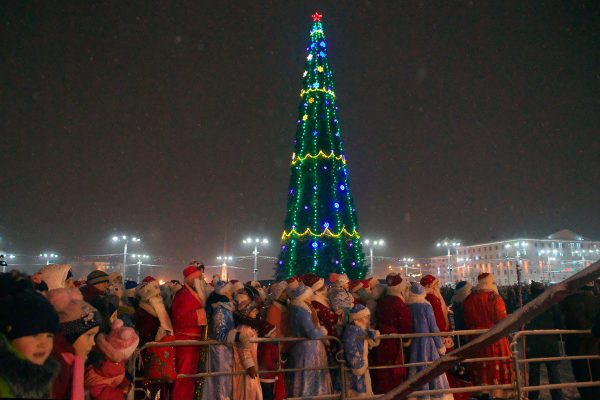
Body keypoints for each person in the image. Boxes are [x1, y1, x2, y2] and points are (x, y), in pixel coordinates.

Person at [0, 271, 61, 398]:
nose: (44, 343)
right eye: (34, 335)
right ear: (8, 335)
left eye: (49, 336)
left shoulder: (42, 375)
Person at [463, 273, 514, 399]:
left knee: (480, 366)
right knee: (496, 365)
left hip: (476, 338)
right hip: (495, 337)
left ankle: (482, 391)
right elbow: (501, 318)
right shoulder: (494, 298)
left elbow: (467, 318)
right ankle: (498, 392)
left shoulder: (470, 298)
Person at [47, 287, 102, 399]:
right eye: (89, 335)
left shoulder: (70, 362)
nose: (93, 343)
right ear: (71, 334)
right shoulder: (56, 370)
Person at [406, 284, 454, 400]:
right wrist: (440, 346)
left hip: (415, 344)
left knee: (418, 369)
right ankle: (436, 395)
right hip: (428, 343)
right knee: (433, 371)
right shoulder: (426, 306)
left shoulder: (408, 306)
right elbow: (433, 327)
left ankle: (419, 395)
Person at [171, 264, 208, 399]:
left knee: (191, 377)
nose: (202, 280)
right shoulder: (182, 295)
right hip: (185, 343)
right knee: (184, 377)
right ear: (191, 279)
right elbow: (180, 318)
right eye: (199, 278)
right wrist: (203, 314)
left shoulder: (194, 294)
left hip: (194, 343)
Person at [288, 284, 332, 397]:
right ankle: (311, 394)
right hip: (309, 349)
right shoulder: (302, 311)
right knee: (310, 375)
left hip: (302, 347)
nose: (310, 298)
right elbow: (311, 333)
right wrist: (322, 331)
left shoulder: (297, 308)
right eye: (308, 295)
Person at [372, 272, 413, 394]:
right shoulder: (399, 304)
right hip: (394, 341)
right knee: (394, 371)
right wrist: (406, 339)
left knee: (383, 369)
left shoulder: (383, 300)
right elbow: (405, 323)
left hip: (381, 339)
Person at [560, 281, 600, 400]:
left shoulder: (569, 301)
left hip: (576, 344)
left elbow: (563, 321)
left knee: (581, 375)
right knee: (597, 374)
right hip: (595, 345)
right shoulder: (597, 301)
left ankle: (586, 396)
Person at [526, 281, 564, 400]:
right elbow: (559, 321)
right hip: (549, 341)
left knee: (534, 371)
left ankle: (533, 396)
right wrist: (558, 335)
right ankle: (557, 396)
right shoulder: (550, 303)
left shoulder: (528, 304)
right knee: (553, 371)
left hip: (533, 343)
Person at [85, 319, 139, 399]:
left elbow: (117, 377)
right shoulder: (105, 366)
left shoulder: (115, 362)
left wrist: (124, 384)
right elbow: (97, 390)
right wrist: (119, 394)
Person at [342, 304, 381, 397]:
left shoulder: (360, 327)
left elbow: (367, 332)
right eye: (366, 317)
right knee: (356, 388)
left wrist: (373, 334)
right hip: (356, 365)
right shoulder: (351, 329)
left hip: (363, 362)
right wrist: (357, 364)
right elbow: (350, 347)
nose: (368, 319)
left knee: (363, 384)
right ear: (359, 318)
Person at [231, 292, 262, 400]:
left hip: (252, 364)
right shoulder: (244, 329)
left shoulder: (249, 328)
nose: (256, 312)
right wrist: (250, 366)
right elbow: (243, 350)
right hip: (245, 368)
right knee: (247, 390)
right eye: (253, 310)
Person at [134, 278, 174, 345]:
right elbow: (145, 336)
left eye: (159, 294)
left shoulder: (158, 311)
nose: (160, 298)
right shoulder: (142, 313)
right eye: (156, 295)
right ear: (149, 298)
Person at [450, 281, 472, 346]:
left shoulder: (455, 301)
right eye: (470, 290)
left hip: (459, 333)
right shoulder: (467, 302)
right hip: (466, 332)